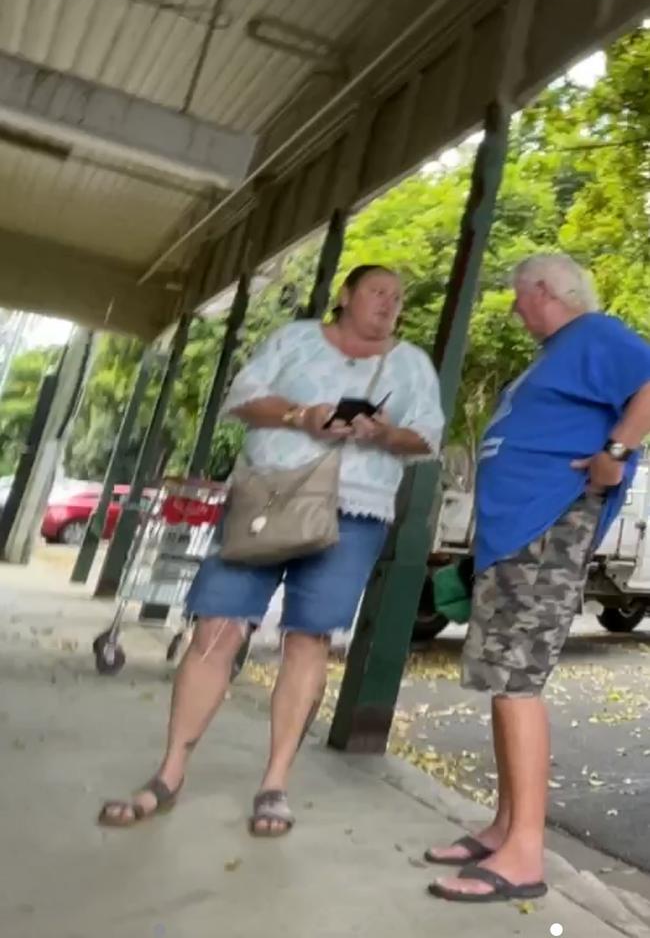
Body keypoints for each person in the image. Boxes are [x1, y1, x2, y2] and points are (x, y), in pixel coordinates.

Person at [98, 263, 444, 836]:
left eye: (398, 297)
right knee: (215, 630)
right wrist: (300, 415)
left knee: (308, 641)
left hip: (353, 515)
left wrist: (382, 433)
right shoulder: (295, 339)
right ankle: (169, 774)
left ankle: (275, 784)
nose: (390, 303)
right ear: (346, 296)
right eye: (378, 291)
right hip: (266, 500)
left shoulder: (411, 364)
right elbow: (244, 397)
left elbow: (428, 435)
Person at [425, 254, 650, 903]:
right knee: (502, 678)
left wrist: (615, 453)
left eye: (519, 298)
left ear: (546, 291)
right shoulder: (555, 354)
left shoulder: (597, 335)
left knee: (517, 680)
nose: (516, 310)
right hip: (513, 535)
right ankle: (504, 828)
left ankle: (524, 851)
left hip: (547, 526)